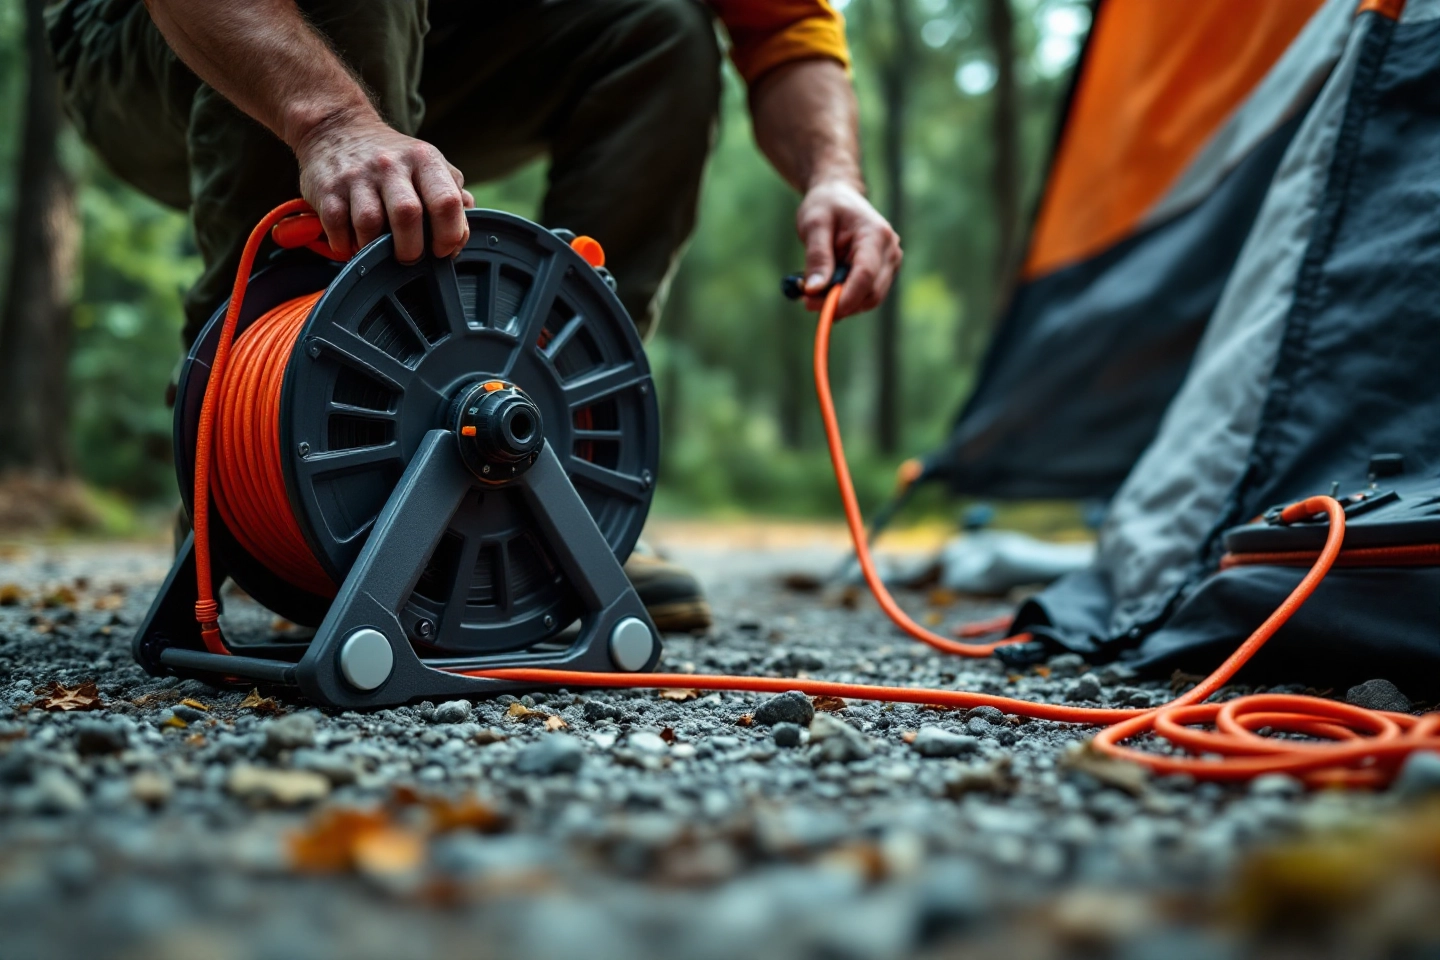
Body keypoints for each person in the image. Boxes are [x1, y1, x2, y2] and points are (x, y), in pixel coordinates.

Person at [47, 0, 903, 632]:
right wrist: (335, 123)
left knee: (660, 30)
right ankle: (262, 478)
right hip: (170, 38)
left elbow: (785, 32)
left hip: (446, 41)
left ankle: (553, 485)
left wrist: (834, 177)